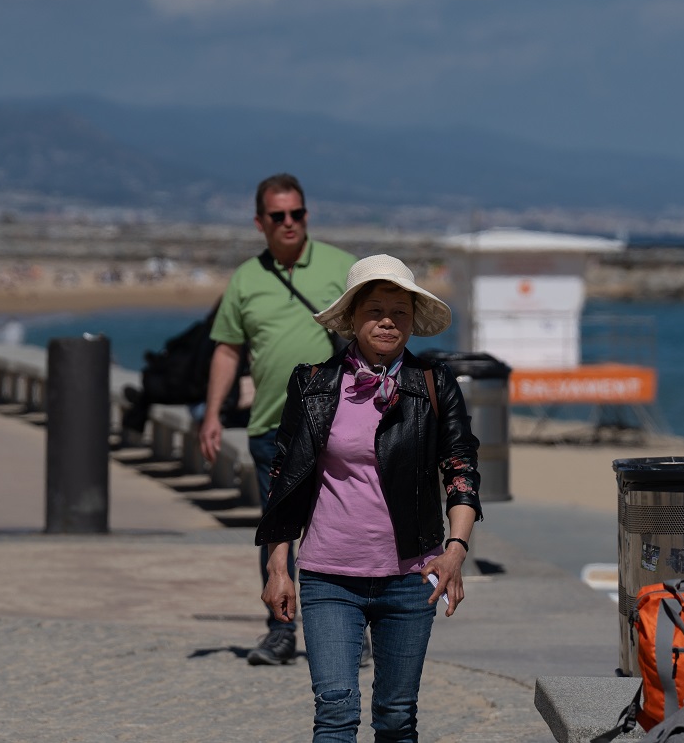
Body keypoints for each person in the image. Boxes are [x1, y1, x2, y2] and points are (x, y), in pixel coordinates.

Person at [256, 254, 480, 741]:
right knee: (335, 713)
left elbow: (460, 469)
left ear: (413, 321)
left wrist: (456, 551)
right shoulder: (311, 383)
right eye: (375, 310)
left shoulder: (434, 384)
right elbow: (284, 479)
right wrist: (278, 568)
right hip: (328, 578)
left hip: (410, 578)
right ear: (352, 318)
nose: (386, 321)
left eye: (399, 312)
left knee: (397, 717)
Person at [201, 174, 357, 666]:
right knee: (277, 533)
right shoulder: (246, 279)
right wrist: (210, 414)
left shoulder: (340, 267)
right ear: (260, 222)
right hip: (271, 426)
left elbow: (374, 336)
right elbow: (228, 349)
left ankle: (353, 626)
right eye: (278, 216)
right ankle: (280, 630)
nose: (289, 223)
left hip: (337, 425)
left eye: (297, 214)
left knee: (342, 527)